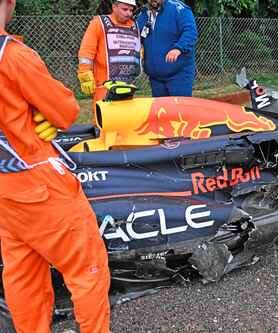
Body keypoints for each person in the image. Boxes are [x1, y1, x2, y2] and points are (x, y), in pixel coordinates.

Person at [0, 0, 111, 332]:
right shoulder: (13, 56)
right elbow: (63, 110)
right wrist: (39, 114)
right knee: (87, 267)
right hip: (38, 182)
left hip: (5, 193)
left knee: (23, 274)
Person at [78, 0, 141, 102]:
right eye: (124, 9)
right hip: (105, 86)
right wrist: (84, 71)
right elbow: (86, 51)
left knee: (127, 117)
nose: (128, 13)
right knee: (104, 117)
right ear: (114, 7)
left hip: (129, 85)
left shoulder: (135, 26)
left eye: (131, 10)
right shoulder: (99, 23)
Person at [136, 0, 198, 97]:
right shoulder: (143, 14)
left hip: (179, 75)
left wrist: (178, 48)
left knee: (179, 110)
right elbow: (136, 36)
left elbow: (190, 31)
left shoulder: (179, 9)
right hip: (155, 78)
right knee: (161, 111)